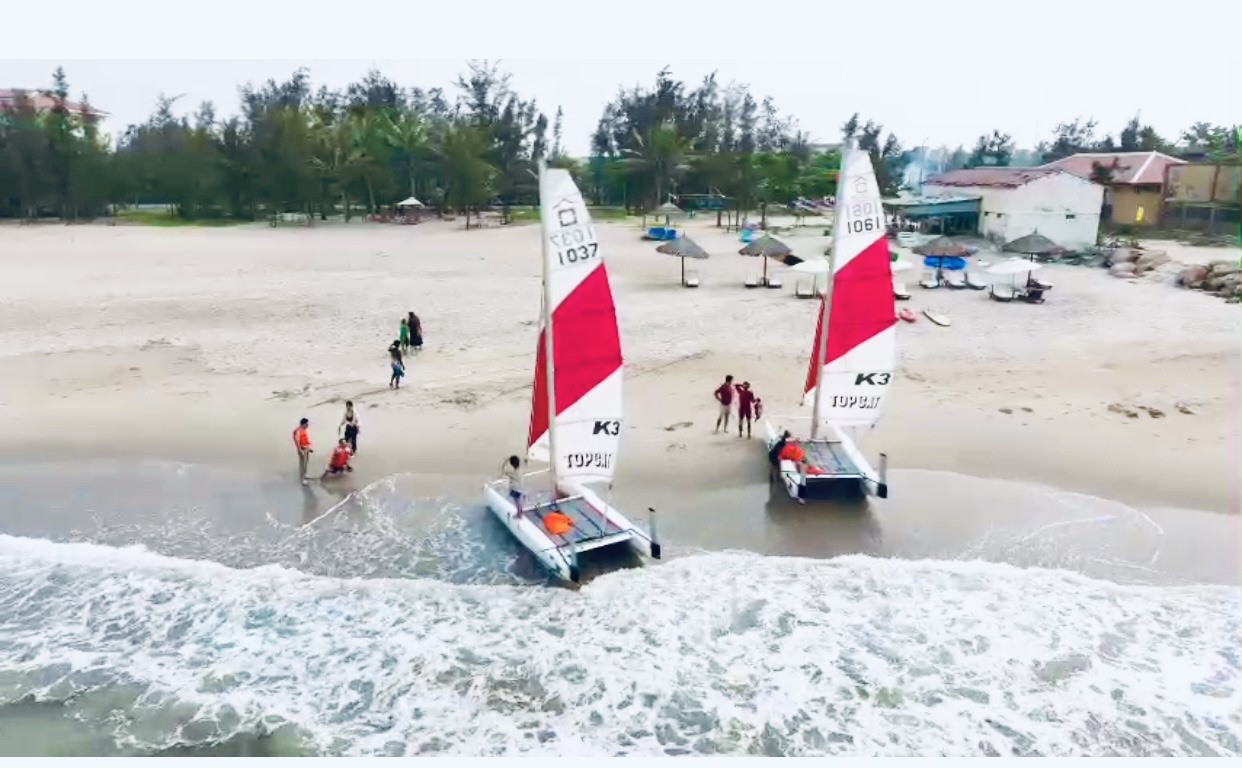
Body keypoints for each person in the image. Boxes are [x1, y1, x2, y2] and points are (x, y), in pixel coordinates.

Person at [292, 417, 312, 485]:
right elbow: (297, 441)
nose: (308, 425)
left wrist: (309, 448)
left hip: (306, 449)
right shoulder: (298, 431)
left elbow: (305, 440)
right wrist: (299, 449)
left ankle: (305, 475)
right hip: (302, 449)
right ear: (303, 424)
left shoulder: (304, 430)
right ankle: (303, 479)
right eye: (307, 424)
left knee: (305, 463)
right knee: (302, 464)